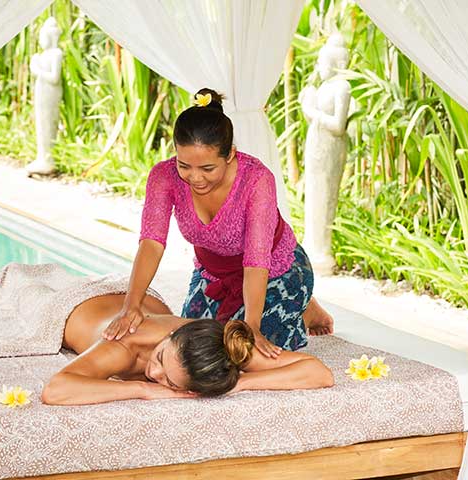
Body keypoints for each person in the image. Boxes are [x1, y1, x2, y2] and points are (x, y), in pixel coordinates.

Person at [103, 88, 334, 358]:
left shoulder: (257, 179)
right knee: (190, 348)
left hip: (274, 267)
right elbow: (152, 243)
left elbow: (256, 260)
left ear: (230, 155)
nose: (195, 178)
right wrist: (132, 305)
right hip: (214, 272)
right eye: (184, 165)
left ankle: (301, 304)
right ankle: (301, 306)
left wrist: (252, 326)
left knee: (242, 352)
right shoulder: (163, 177)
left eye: (207, 169)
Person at [41, 291, 334, 406]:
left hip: (148, 300)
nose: (152, 372)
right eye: (159, 358)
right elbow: (56, 389)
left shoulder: (216, 345)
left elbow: (318, 373)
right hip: (75, 303)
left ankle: (307, 304)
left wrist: (242, 382)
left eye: (168, 380)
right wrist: (143, 389)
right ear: (173, 334)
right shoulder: (124, 347)